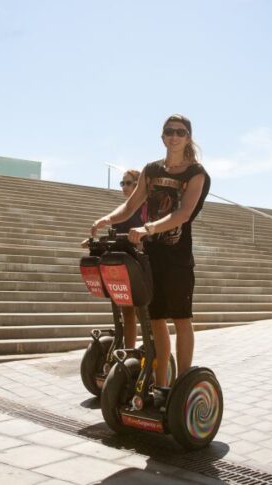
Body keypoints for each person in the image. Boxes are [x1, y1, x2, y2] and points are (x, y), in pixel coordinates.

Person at [91, 114, 210, 405]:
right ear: (162, 136)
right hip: (152, 255)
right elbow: (132, 204)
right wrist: (107, 218)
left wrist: (149, 228)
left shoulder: (196, 173)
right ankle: (162, 386)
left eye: (180, 132)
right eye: (169, 131)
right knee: (156, 319)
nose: (174, 136)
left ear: (188, 137)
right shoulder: (151, 169)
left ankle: (183, 384)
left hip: (178, 255)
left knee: (181, 319)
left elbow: (184, 213)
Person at [110, 169, 146, 348]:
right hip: (125, 267)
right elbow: (114, 237)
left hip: (140, 267)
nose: (124, 187)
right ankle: (129, 352)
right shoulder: (121, 212)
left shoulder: (145, 210)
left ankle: (153, 353)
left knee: (144, 314)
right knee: (127, 313)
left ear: (138, 185)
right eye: (122, 183)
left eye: (128, 183)